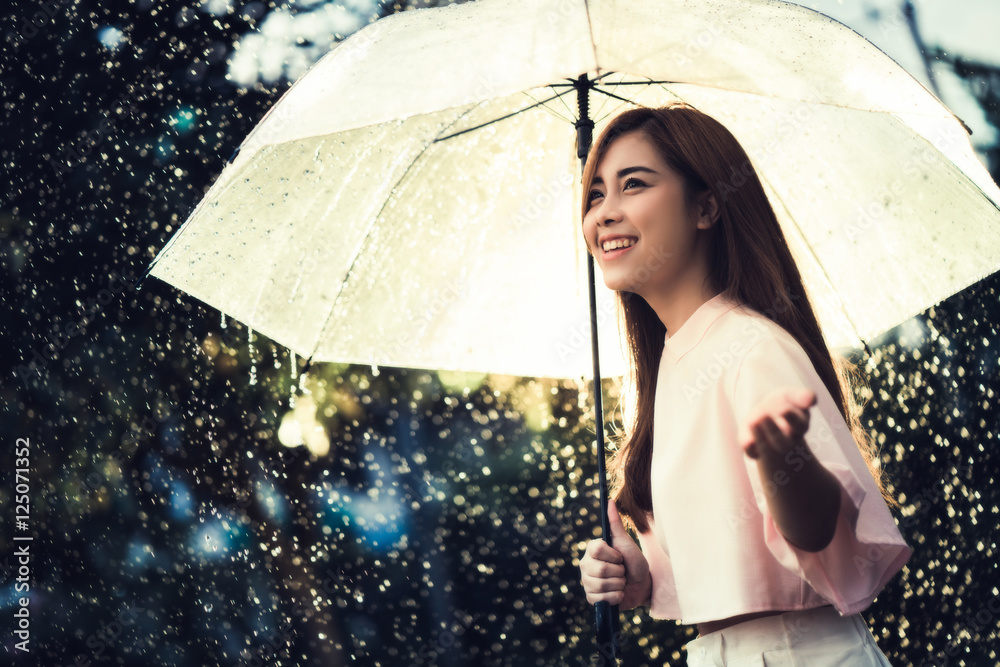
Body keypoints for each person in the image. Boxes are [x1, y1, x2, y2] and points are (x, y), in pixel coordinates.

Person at [576, 104, 912, 666]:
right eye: (595, 195)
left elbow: (820, 543)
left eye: (633, 185)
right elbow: (737, 557)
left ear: (706, 206)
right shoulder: (674, 364)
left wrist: (788, 464)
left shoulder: (753, 349)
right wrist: (647, 579)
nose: (604, 214)